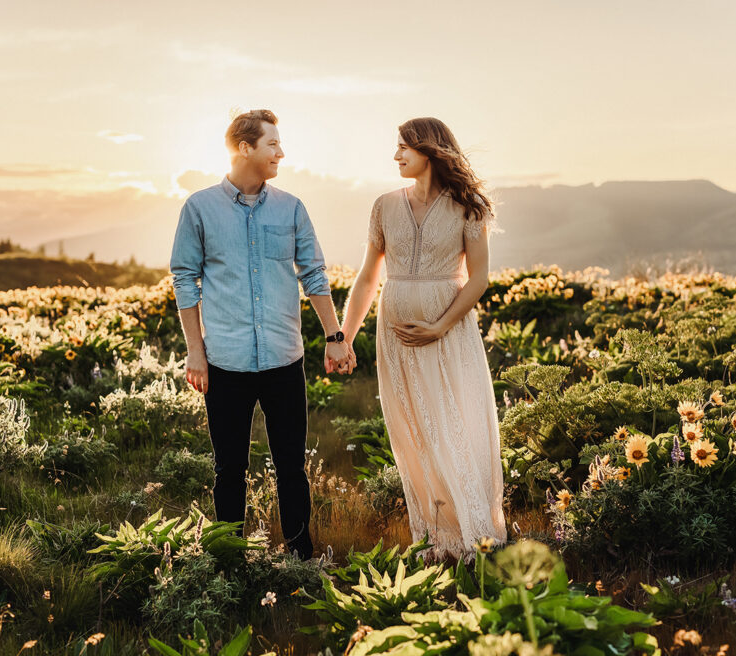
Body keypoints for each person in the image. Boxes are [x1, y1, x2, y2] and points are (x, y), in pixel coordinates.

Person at [170, 109, 355, 559]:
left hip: (284, 361)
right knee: (229, 469)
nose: (281, 152)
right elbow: (183, 278)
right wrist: (195, 352)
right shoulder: (199, 208)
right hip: (225, 363)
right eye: (272, 144)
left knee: (292, 467)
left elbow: (313, 274)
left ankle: (300, 557)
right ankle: (229, 562)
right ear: (244, 148)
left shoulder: (291, 207)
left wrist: (336, 337)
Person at [340, 117, 507, 561]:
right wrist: (344, 336)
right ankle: (434, 536)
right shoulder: (383, 206)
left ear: (429, 151)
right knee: (411, 430)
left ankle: (475, 535)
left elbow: (480, 278)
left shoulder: (468, 207)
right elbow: (366, 278)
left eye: (403, 149)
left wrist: (440, 324)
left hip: (448, 336)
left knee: (456, 424)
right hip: (394, 340)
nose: (396, 156)